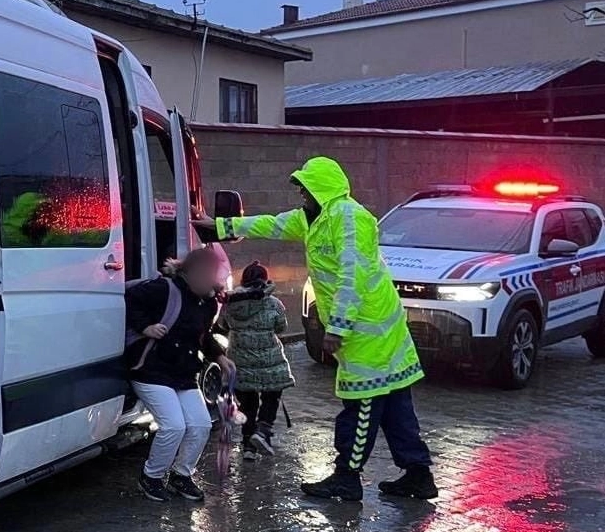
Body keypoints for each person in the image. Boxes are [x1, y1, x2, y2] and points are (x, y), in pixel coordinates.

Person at [197, 156, 438, 502]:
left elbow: (352, 277)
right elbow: (269, 224)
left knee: (361, 406)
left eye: (305, 190)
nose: (301, 196)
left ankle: (347, 477)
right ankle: (418, 474)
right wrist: (218, 227)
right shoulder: (312, 219)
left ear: (319, 189)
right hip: (376, 331)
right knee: (395, 407)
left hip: (368, 332)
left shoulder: (349, 218)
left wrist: (337, 327)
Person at [126, 248, 236, 502]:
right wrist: (145, 327)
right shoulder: (163, 289)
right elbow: (128, 299)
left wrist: (220, 357)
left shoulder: (208, 303)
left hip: (183, 372)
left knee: (201, 425)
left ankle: (181, 475)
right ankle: (151, 477)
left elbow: (202, 336)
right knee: (174, 426)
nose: (209, 279)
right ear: (189, 272)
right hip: (150, 369)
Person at [223, 260, 294, 460]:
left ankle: (248, 446)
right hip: (269, 363)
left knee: (247, 403)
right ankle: (263, 431)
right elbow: (281, 328)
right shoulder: (273, 303)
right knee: (272, 395)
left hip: (240, 362)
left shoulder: (230, 303)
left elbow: (223, 324)